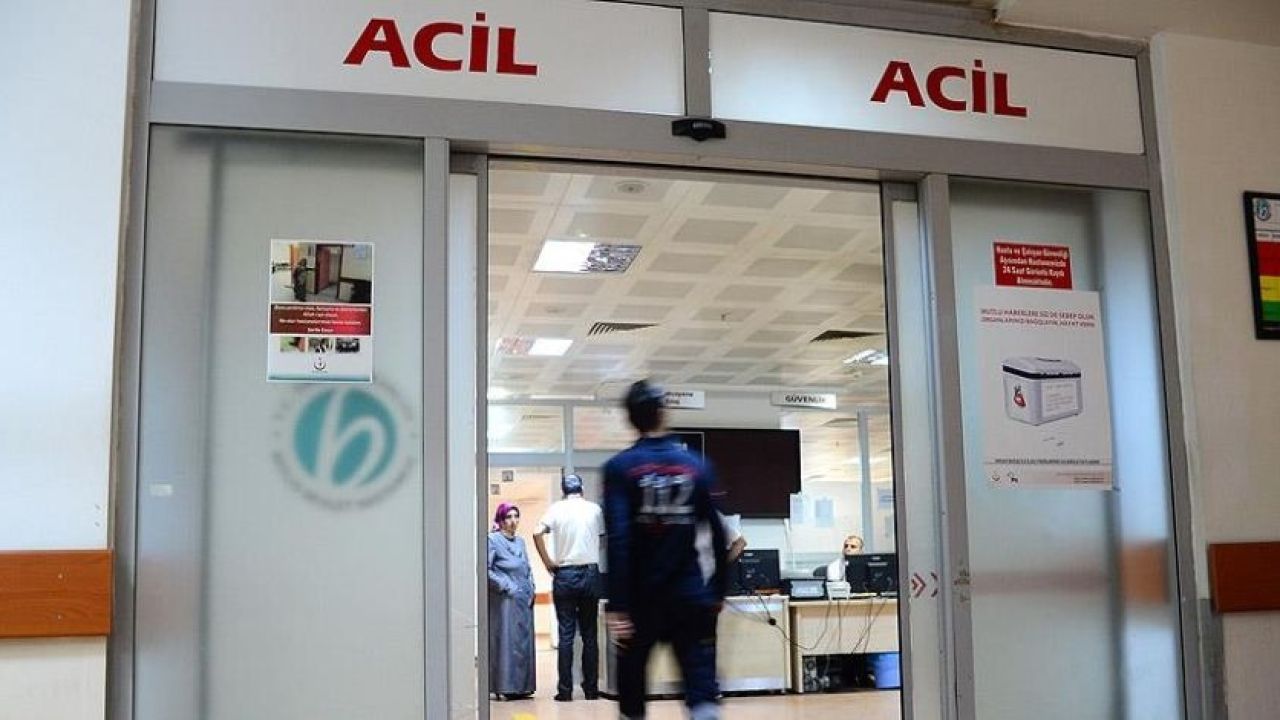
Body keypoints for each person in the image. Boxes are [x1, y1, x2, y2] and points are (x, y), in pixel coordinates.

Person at [604, 380, 729, 720]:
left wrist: (618, 605)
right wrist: (717, 591)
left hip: (640, 601)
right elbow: (718, 533)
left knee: (632, 693)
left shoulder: (620, 468)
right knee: (701, 692)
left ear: (630, 418)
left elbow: (619, 539)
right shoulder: (696, 465)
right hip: (690, 597)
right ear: (663, 413)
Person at [531, 473, 605, 702]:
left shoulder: (556, 509)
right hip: (590, 573)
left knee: (566, 636)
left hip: (564, 574)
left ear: (563, 491)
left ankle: (565, 691)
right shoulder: (594, 509)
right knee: (590, 635)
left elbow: (536, 533)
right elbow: (602, 536)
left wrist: (548, 562)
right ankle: (591, 689)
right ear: (581, 489)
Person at [487, 502, 535, 700]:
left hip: (524, 598)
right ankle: (506, 686)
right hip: (505, 599)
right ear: (500, 519)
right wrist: (506, 586)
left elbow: (527, 567)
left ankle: (523, 686)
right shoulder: (492, 540)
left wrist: (531, 587)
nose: (513, 521)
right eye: (508, 517)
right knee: (507, 642)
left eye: (516, 516)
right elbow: (486, 570)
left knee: (524, 643)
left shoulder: (521, 542)